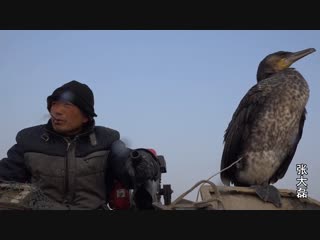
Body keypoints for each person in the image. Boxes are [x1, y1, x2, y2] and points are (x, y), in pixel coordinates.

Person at [0, 80, 161, 210]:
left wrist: (143, 160)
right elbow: (5, 176)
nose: (57, 111)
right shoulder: (30, 141)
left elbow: (127, 163)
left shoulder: (106, 140)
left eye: (66, 105)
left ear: (85, 116)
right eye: (54, 104)